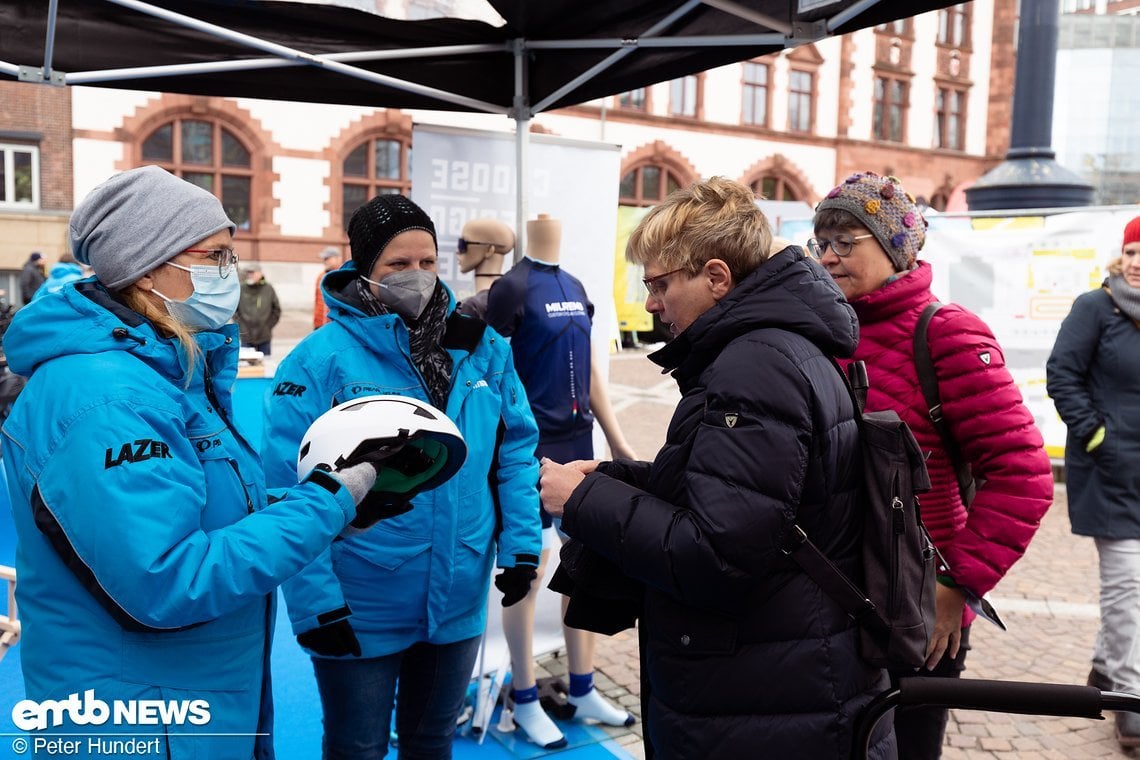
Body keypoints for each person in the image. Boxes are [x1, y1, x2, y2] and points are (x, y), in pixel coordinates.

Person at [0, 165, 385, 759]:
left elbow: (203, 517)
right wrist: (323, 505)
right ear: (147, 266)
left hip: (193, 698)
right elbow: (168, 580)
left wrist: (328, 503)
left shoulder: (165, 371)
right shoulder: (108, 398)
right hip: (140, 721)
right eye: (216, 256)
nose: (229, 273)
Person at [538, 177, 894, 760]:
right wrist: (617, 477)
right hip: (777, 677)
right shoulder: (773, 349)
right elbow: (745, 496)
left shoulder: (754, 365)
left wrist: (583, 502)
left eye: (658, 283)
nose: (650, 302)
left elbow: (718, 551)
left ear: (716, 277)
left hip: (763, 692)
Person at [260, 193, 544, 760]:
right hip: (362, 597)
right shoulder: (320, 360)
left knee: (431, 741)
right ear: (365, 268)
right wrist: (316, 603)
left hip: (459, 591)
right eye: (398, 264)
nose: (417, 276)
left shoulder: (482, 346)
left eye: (428, 261)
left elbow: (514, 452)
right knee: (357, 746)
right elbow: (285, 488)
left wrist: (522, 545)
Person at [811, 171, 1053, 759]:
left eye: (848, 241)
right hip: (832, 588)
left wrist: (957, 586)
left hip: (920, 597)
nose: (829, 256)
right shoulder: (820, 329)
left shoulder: (946, 332)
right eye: (822, 241)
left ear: (894, 248)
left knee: (910, 747)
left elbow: (1023, 475)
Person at [481, 213, 637, 747]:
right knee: (527, 570)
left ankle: (583, 687)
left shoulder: (574, 286)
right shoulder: (511, 288)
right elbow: (491, 373)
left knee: (584, 567)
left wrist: (615, 439)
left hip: (578, 445)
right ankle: (524, 697)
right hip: (529, 448)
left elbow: (590, 368)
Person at [1046, 215, 1140, 748]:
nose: (1137, 264)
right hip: (1111, 471)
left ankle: (1106, 669)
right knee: (1127, 587)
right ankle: (1131, 698)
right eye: (1132, 253)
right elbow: (1063, 374)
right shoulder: (1095, 308)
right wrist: (1098, 437)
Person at [236, 263, 282, 355]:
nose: (250, 275)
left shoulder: (268, 288)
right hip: (246, 336)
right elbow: (235, 310)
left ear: (260, 274)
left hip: (264, 336)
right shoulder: (241, 288)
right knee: (247, 366)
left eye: (252, 273)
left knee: (265, 364)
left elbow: (276, 310)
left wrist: (267, 326)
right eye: (248, 273)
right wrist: (241, 326)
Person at [314, 245, 343, 330]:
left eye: (327, 258)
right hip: (319, 325)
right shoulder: (321, 276)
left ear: (338, 258)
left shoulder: (344, 276)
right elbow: (317, 301)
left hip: (335, 325)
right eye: (324, 259)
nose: (324, 261)